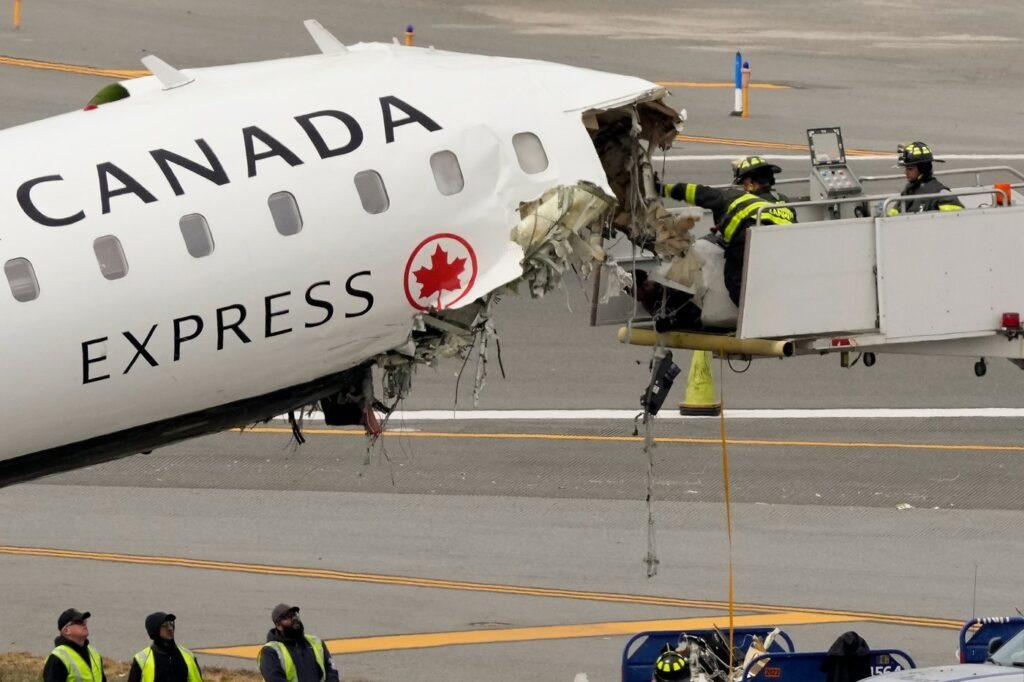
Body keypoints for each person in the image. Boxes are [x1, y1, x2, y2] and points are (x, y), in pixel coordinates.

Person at [661, 155, 796, 306]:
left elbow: (699, 193)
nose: (744, 187)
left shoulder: (738, 198)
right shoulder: (784, 201)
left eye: (744, 182)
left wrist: (665, 189)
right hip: (784, 252)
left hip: (747, 246)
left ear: (751, 183)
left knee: (735, 283)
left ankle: (752, 314)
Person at [258, 603, 340, 682]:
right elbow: (275, 679)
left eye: (294, 615)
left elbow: (332, 672)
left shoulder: (316, 642)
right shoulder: (270, 651)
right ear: (279, 626)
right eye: (288, 617)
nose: (294, 618)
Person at [127, 612, 203, 682]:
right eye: (165, 625)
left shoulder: (188, 656)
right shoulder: (141, 659)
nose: (170, 628)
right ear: (155, 629)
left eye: (171, 623)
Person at [891, 141, 964, 214]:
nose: (905, 173)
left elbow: (956, 217)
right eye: (906, 168)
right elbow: (892, 215)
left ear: (923, 169)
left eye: (910, 169)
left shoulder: (941, 194)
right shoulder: (909, 190)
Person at [43, 608, 107, 682]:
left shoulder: (93, 653)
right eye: (79, 622)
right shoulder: (57, 658)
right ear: (66, 630)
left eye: (84, 621)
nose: (84, 624)